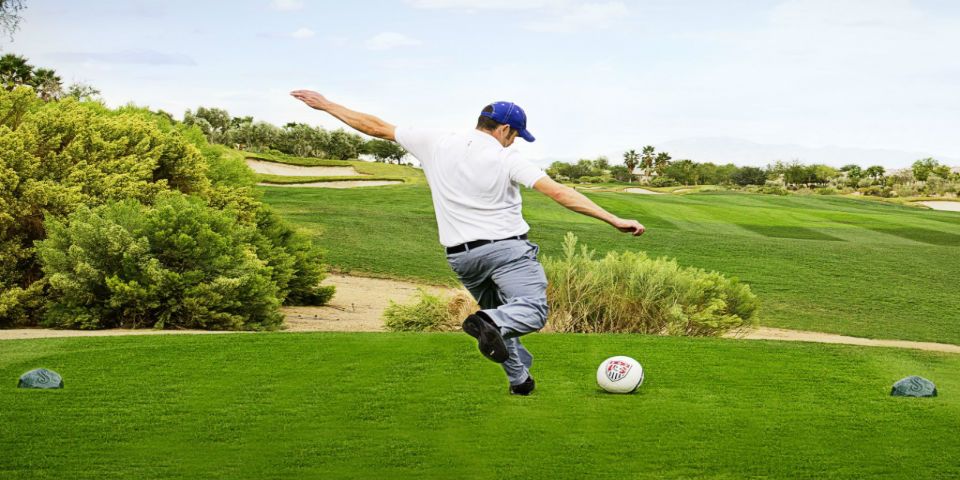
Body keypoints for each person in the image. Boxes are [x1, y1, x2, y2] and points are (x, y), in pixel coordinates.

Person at [291, 90, 645, 395]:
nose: (514, 142)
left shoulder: (435, 141)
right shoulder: (506, 157)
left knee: (501, 323)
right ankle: (486, 322)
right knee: (529, 311)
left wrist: (326, 105)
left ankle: (520, 380)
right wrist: (614, 219)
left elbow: (375, 126)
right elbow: (559, 192)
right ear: (504, 130)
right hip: (507, 252)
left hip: (462, 259)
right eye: (515, 136)